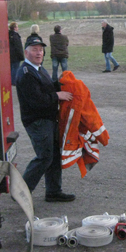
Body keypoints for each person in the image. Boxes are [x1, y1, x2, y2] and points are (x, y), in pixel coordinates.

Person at [16, 38, 75, 202]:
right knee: (44, 157)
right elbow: (36, 100)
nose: (39, 52)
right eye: (34, 49)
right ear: (26, 52)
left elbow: (48, 86)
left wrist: (65, 84)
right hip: (37, 121)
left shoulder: (38, 69)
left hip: (47, 120)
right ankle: (21, 192)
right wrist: (57, 95)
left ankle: (53, 191)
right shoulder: (27, 73)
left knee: (54, 155)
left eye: (41, 50)